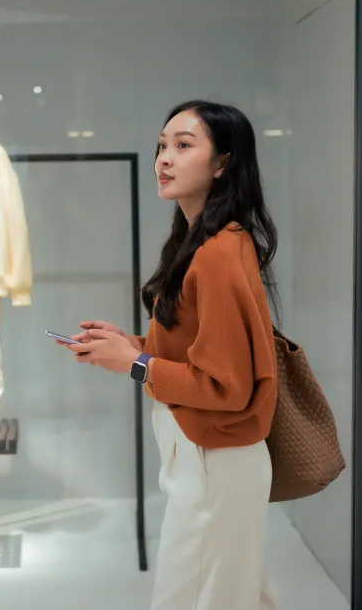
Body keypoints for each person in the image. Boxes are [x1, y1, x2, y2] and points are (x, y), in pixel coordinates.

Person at [64, 100, 281, 610]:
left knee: (204, 598)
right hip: (207, 458)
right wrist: (130, 346)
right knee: (230, 594)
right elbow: (198, 352)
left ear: (222, 163)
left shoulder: (219, 252)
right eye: (163, 145)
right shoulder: (198, 243)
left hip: (216, 459)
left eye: (184, 146)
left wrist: (137, 365)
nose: (164, 158)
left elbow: (227, 387)